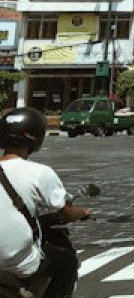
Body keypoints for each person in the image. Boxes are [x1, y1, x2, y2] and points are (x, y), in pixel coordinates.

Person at [0, 107, 91, 298]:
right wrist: (82, 213)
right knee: (66, 260)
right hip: (16, 264)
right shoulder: (40, 173)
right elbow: (66, 212)